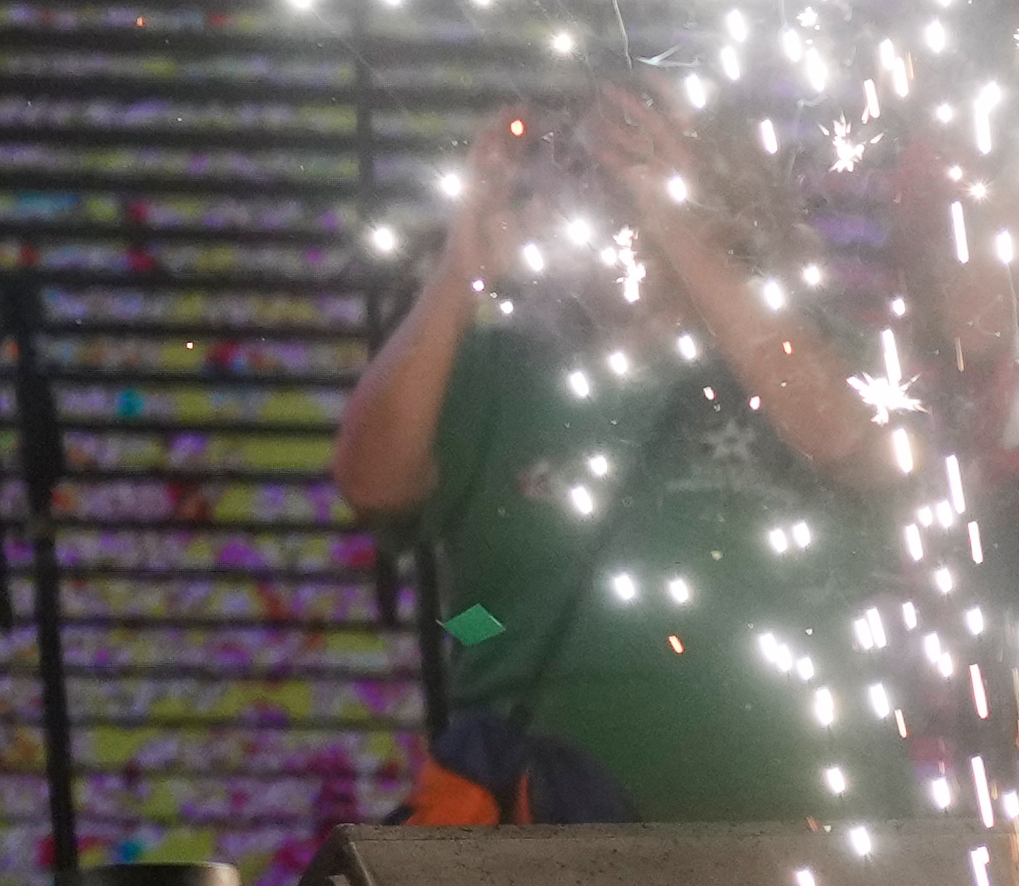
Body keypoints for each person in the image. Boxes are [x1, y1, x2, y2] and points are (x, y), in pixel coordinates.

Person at [335, 88, 894, 824]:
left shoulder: (807, 349)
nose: (607, 196)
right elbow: (371, 483)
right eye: (585, 170)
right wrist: (459, 272)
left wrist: (674, 222)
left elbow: (852, 440)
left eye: (636, 159)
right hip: (549, 838)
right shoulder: (498, 368)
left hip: (796, 823)